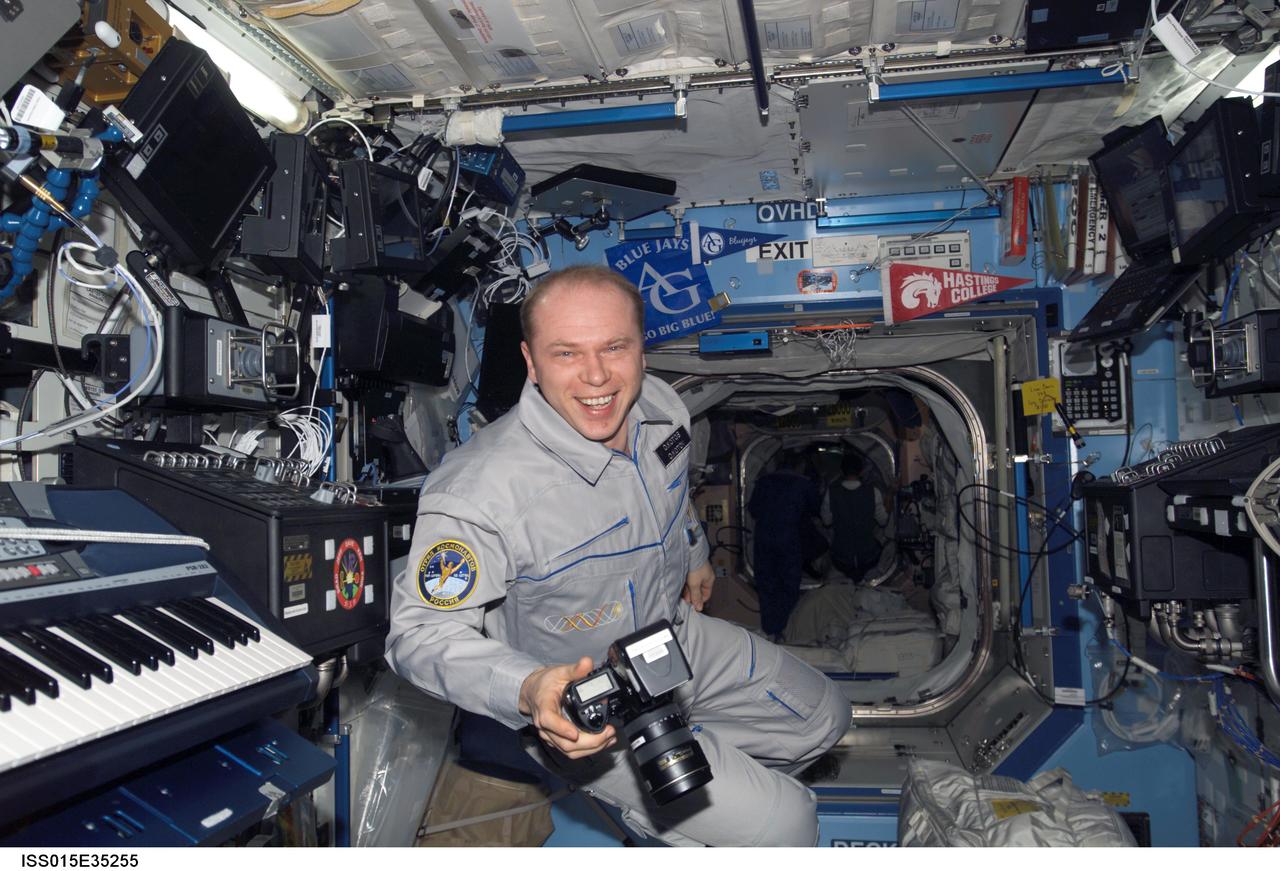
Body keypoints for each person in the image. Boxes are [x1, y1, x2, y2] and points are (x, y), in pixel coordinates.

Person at [387, 265, 850, 847]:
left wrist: (696, 553)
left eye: (614, 347)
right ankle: (687, 818)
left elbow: (672, 494)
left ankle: (708, 788)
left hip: (669, 637)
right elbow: (417, 635)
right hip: (584, 694)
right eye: (566, 354)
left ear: (641, 351)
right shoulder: (480, 489)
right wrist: (530, 689)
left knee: (826, 718)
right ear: (531, 362)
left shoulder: (663, 413)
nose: (597, 376)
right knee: (787, 825)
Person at [747, 451, 822, 639]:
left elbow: (753, 509)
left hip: (763, 540)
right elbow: (815, 510)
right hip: (789, 539)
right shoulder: (804, 484)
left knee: (766, 584)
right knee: (789, 584)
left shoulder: (763, 482)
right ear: (800, 466)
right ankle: (786, 629)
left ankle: (770, 630)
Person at [822, 451, 888, 583]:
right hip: (868, 556)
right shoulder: (873, 492)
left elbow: (826, 521)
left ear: (842, 471)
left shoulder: (831, 492)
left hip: (841, 557)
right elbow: (883, 520)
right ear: (861, 471)